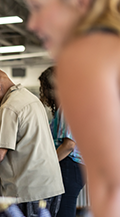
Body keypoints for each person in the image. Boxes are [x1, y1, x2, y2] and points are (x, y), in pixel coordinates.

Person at [25, 0, 120, 216]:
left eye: (37, 8)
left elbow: (114, 189)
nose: (31, 24)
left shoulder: (86, 57)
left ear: (78, 1)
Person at [0, 68, 64, 217]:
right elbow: (30, 148)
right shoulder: (31, 99)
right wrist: (0, 176)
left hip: (30, 193)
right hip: (50, 188)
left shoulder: (8, 108)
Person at [39, 66, 85, 217]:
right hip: (74, 166)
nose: (43, 92)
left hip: (69, 165)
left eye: (44, 88)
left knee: (63, 211)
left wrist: (48, 164)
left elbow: (69, 144)